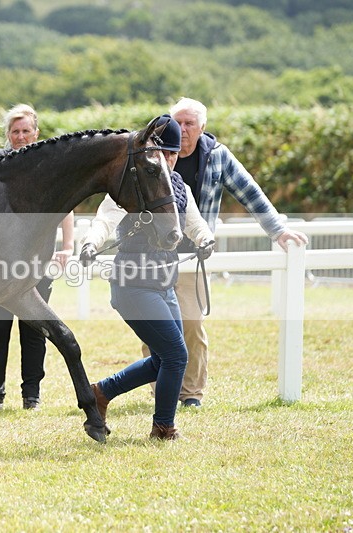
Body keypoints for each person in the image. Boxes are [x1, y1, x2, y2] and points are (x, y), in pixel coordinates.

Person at [159, 97, 309, 408]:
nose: (182, 130)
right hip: (155, 255)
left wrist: (278, 230)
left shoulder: (217, 157)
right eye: (178, 123)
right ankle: (161, 388)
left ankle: (191, 394)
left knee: (192, 323)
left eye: (189, 124)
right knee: (155, 325)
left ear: (203, 127)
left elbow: (250, 192)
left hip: (194, 256)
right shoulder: (154, 153)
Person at [80, 115, 215, 439]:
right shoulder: (133, 183)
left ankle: (100, 393)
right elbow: (105, 220)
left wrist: (205, 239)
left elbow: (193, 221)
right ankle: (164, 427)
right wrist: (90, 243)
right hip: (132, 284)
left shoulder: (179, 186)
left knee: (163, 358)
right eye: (163, 153)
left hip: (164, 282)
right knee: (176, 354)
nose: (168, 160)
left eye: (172, 154)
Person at [0, 103, 75, 410]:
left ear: (36, 133)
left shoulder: (50, 164)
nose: (21, 136)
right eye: (15, 131)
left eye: (26, 131)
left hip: (37, 260)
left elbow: (65, 207)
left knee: (35, 328)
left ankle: (31, 393)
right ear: (8, 134)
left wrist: (67, 246)